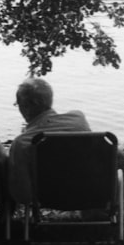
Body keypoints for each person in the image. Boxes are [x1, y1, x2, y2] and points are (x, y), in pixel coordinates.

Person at [8, 77, 90, 205]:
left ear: (26, 108)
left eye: (18, 105)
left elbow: (23, 196)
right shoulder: (78, 120)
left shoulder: (22, 143)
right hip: (88, 192)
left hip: (45, 198)